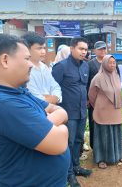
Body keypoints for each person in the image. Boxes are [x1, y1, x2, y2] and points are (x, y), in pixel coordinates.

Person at [0, 34, 70, 186]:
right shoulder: (5, 104)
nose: (31, 65)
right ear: (5, 60)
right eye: (26, 59)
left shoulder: (19, 92)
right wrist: (60, 127)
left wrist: (48, 122)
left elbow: (59, 110)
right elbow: (59, 143)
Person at [52, 37, 92, 187]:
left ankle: (76, 167)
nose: (84, 52)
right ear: (72, 48)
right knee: (67, 143)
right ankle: (68, 174)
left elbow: (84, 87)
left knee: (78, 140)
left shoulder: (85, 67)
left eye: (85, 49)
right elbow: (54, 90)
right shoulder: (60, 67)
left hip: (82, 111)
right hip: (68, 112)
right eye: (81, 49)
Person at [88, 55, 122, 169]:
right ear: (104, 63)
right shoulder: (98, 78)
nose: (112, 65)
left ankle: (119, 155)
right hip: (102, 112)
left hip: (115, 111)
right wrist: (100, 106)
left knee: (116, 133)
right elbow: (91, 95)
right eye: (110, 63)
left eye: (114, 63)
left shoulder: (116, 76)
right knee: (103, 135)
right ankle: (101, 159)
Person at [23, 32, 62, 104]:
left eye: (44, 48)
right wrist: (50, 99)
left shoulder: (44, 67)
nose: (43, 52)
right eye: (39, 48)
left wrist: (56, 98)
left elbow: (55, 87)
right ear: (27, 49)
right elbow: (34, 97)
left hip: (50, 110)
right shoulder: (24, 69)